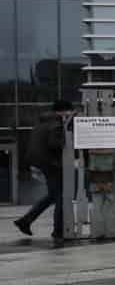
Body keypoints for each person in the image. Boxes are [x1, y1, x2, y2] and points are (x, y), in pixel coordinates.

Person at [13, 100, 73, 247]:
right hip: (51, 164)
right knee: (61, 197)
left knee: (53, 195)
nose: (71, 114)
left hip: (40, 162)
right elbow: (54, 144)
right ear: (62, 111)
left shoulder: (43, 121)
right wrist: (67, 142)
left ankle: (25, 220)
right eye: (69, 111)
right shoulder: (57, 124)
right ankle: (58, 231)